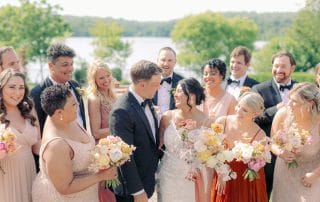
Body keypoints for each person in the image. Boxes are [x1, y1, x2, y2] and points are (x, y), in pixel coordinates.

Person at [32, 85, 117, 202]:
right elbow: (64, 187)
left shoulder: (67, 119)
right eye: (73, 104)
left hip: (88, 194)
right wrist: (101, 176)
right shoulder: (56, 146)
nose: (77, 106)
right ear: (59, 112)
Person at [109, 60, 162, 202]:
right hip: (131, 191)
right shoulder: (121, 111)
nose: (158, 89)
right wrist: (137, 192)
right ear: (142, 84)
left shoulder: (146, 98)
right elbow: (124, 157)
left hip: (147, 180)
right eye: (155, 85)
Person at [253, 51, 297, 198]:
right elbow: (253, 118)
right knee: (264, 194)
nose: (279, 70)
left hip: (295, 154)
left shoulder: (301, 89)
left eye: (283, 66)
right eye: (276, 66)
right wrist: (276, 109)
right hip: (268, 154)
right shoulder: (259, 89)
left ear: (293, 68)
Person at [211, 91, 268, 202]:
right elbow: (211, 150)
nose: (238, 111)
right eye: (238, 106)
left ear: (254, 114)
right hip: (223, 173)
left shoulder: (260, 134)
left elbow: (257, 163)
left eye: (244, 110)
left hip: (245, 180)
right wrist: (221, 173)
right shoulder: (222, 122)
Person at [157, 77, 207, 202]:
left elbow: (209, 153)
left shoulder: (207, 121)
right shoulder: (167, 117)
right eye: (175, 91)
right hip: (167, 176)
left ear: (192, 95)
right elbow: (158, 146)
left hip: (192, 177)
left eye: (179, 91)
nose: (175, 94)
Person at [271, 83, 320, 202]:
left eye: (294, 101)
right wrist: (280, 152)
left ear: (310, 104)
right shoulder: (283, 114)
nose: (289, 104)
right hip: (285, 173)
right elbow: (272, 142)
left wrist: (315, 175)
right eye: (289, 99)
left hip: (312, 173)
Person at [0, 69, 41, 202]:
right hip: (5, 176)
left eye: (21, 88)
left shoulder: (29, 109)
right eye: (12, 87)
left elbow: (37, 147)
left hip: (30, 172)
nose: (17, 93)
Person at [30, 43, 86, 135]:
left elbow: (81, 119)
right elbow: (38, 129)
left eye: (71, 64)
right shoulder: (37, 93)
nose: (70, 69)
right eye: (65, 65)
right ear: (51, 66)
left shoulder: (76, 86)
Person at [87, 60, 117, 202]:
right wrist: (119, 128)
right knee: (106, 190)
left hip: (116, 148)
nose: (106, 80)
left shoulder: (112, 95)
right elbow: (96, 132)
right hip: (104, 151)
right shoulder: (94, 99)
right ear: (94, 80)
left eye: (108, 76)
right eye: (101, 78)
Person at [200, 58, 237, 122]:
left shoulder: (230, 100)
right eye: (205, 74)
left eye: (213, 74)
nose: (208, 77)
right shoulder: (195, 94)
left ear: (221, 76)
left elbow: (232, 126)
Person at [152, 47, 183, 116]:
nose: (166, 64)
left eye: (170, 60)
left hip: (174, 123)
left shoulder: (182, 82)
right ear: (157, 61)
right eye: (163, 60)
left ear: (175, 62)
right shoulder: (148, 80)